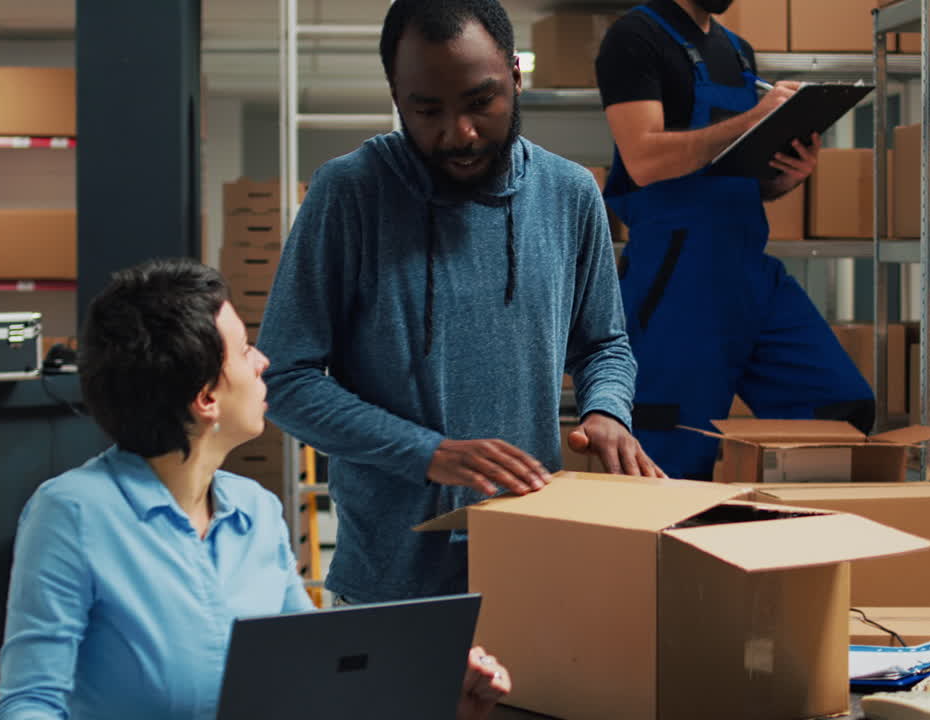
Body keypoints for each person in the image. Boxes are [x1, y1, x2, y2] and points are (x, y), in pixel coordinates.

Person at [257, 0, 665, 606]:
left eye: (481, 102)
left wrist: (606, 409)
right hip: (391, 585)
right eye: (427, 110)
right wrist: (429, 454)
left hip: (528, 567)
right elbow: (284, 380)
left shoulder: (570, 194)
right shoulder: (350, 193)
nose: (460, 133)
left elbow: (603, 343)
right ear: (397, 95)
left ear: (515, 78)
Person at [0, 259, 510, 720]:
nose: (263, 362)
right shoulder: (73, 514)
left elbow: (318, 673)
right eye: (243, 350)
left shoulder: (256, 511)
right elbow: (29, 701)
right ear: (206, 399)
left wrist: (434, 695)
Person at [594, 0, 876, 480]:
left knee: (838, 407)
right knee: (669, 450)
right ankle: (670, 553)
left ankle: (797, 546)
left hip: (749, 269)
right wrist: (752, 120)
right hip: (677, 279)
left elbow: (738, 174)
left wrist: (789, 174)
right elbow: (643, 158)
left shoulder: (738, 52)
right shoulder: (634, 37)